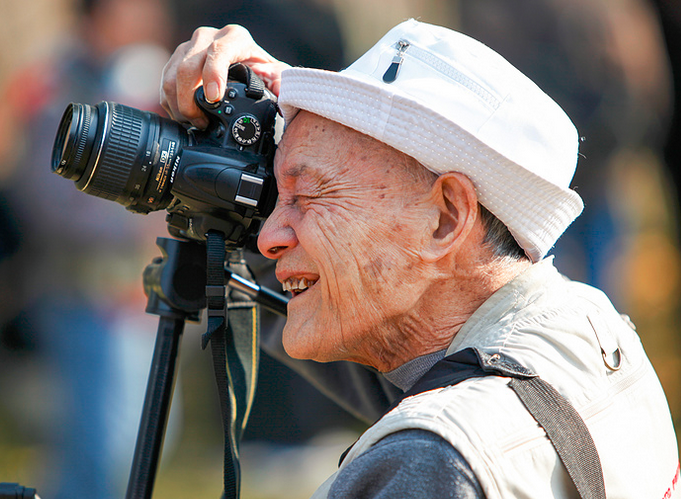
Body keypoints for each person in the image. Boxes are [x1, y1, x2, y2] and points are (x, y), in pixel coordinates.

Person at [160, 20, 680, 498]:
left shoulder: (432, 460)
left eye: (310, 195)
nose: (269, 237)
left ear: (446, 219)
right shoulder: (585, 328)